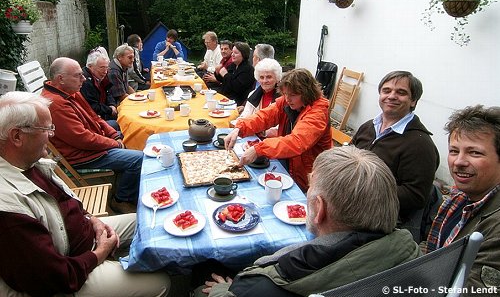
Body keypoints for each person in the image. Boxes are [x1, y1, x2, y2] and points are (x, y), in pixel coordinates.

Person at [0, 91, 170, 297]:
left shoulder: (29, 164)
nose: (52, 135)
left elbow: (67, 204)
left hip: (84, 239)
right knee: (161, 282)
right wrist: (100, 253)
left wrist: (93, 221)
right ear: (17, 136)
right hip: (71, 273)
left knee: (150, 220)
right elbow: (57, 276)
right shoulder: (8, 210)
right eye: (46, 129)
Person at [194, 146, 420, 297]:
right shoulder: (419, 263)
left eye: (309, 188)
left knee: (204, 272)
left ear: (319, 209)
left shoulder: (267, 287)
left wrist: (223, 291)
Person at [42, 57, 143, 214]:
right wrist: (114, 143)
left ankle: (125, 179)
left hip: (90, 141)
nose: (83, 78)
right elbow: (82, 139)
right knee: (138, 158)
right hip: (82, 156)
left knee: (126, 134)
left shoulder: (69, 92)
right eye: (78, 75)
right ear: (61, 79)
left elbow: (95, 117)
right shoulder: (56, 105)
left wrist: (113, 135)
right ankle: (122, 200)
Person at [423, 105, 500, 293]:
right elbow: (434, 248)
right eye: (454, 151)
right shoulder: (460, 196)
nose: (459, 162)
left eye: (475, 152)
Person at [352, 70, 439, 234]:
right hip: (353, 202)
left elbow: (416, 196)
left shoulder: (420, 144)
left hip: (382, 222)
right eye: (386, 90)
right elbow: (347, 156)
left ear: (413, 101)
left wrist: (365, 189)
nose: (391, 96)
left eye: (401, 92)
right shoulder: (368, 127)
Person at [225, 68, 331, 191]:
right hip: (288, 165)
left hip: (309, 177)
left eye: (292, 95)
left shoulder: (318, 113)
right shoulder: (286, 103)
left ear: (307, 93)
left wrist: (259, 149)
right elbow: (264, 117)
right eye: (285, 94)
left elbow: (296, 142)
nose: (287, 99)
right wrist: (239, 128)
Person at [238, 58, 282, 138]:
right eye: (261, 77)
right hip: (251, 138)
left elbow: (280, 129)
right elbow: (244, 117)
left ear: (277, 78)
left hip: (273, 141)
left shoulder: (283, 98)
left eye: (269, 77)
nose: (265, 81)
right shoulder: (252, 94)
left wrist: (263, 131)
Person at [80, 51, 119, 130]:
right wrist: (110, 110)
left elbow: (108, 92)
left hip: (103, 112)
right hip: (93, 121)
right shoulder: (85, 82)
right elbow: (92, 106)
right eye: (102, 68)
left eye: (106, 67)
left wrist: (112, 105)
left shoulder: (100, 76)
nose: (105, 71)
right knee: (120, 124)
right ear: (90, 66)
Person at [214, 42, 255, 106]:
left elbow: (236, 87)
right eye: (232, 52)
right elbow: (223, 80)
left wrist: (225, 75)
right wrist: (217, 73)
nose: (232, 55)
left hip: (236, 101)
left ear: (243, 55)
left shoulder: (247, 69)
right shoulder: (233, 65)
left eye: (235, 53)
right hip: (225, 97)